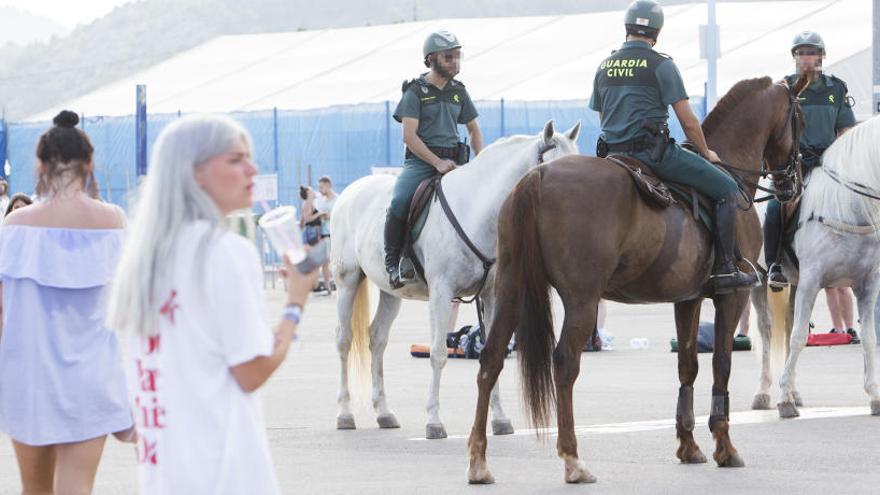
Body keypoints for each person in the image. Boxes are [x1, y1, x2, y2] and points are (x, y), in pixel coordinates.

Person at [106, 114, 320, 494]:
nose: (252, 169)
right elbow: (251, 370)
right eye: (236, 159)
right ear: (195, 173)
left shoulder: (144, 259)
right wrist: (294, 303)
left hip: (165, 475)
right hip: (224, 472)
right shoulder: (224, 253)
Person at [0, 110, 134, 494]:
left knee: (34, 490)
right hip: (91, 379)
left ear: (40, 164)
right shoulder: (113, 222)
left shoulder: (15, 227)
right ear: (89, 163)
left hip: (29, 378)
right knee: (76, 489)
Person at [589, 0, 757, 294]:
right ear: (656, 31)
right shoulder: (661, 65)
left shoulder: (606, 66)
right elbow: (689, 123)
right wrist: (707, 153)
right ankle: (726, 268)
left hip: (613, 154)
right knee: (727, 189)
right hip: (654, 156)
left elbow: (603, 116)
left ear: (627, 27)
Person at [763, 31, 858, 342]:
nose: (806, 57)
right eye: (801, 52)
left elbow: (846, 129)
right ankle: (776, 263)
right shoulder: (784, 88)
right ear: (795, 57)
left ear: (821, 56)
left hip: (830, 166)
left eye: (811, 52)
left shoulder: (836, 88)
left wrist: (837, 159)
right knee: (776, 206)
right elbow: (774, 132)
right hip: (797, 166)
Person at [385, 29, 484, 288]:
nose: (455, 62)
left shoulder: (459, 92)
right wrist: (436, 162)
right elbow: (409, 136)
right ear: (431, 59)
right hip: (421, 163)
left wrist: (480, 162)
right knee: (399, 201)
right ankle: (394, 262)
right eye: (449, 57)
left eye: (457, 56)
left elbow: (473, 130)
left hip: (455, 163)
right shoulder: (415, 92)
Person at [314, 176, 337, 296]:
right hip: (322, 234)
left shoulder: (337, 200)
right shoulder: (319, 200)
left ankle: (336, 284)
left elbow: (339, 216)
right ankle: (327, 286)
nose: (320, 189)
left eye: (321, 187)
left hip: (333, 234)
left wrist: (330, 216)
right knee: (324, 261)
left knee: (335, 260)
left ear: (328, 186)